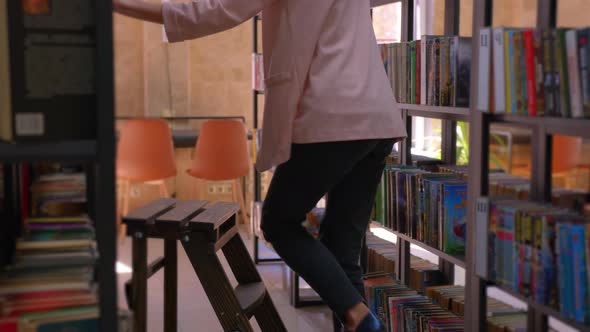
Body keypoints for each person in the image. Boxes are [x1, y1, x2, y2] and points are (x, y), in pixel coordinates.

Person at [112, 0, 406, 331]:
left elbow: (209, 12)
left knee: (279, 224)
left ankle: (359, 317)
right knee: (342, 246)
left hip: (334, 116)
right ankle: (363, 323)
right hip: (379, 119)